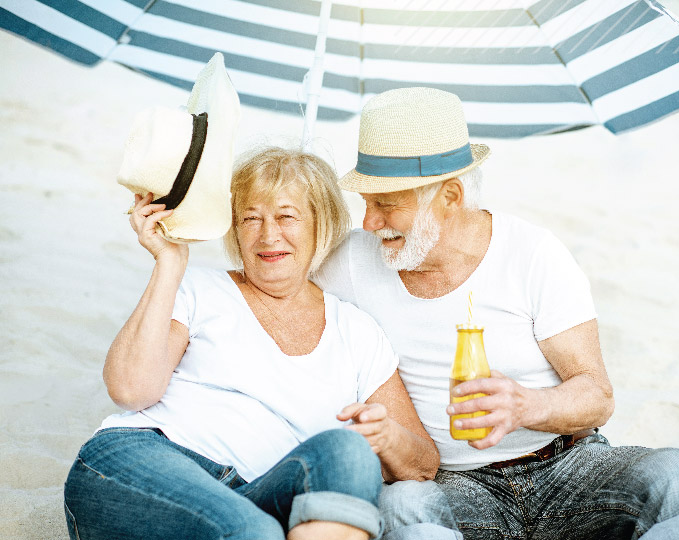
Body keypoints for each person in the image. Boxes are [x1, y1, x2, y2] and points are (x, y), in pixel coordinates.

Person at [313, 87, 679, 540]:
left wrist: (527, 405)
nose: (370, 222)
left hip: (568, 466)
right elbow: (273, 271)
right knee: (403, 504)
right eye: (367, 202)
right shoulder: (352, 261)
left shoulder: (533, 254)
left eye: (387, 203)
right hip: (455, 484)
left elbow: (597, 395)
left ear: (450, 196)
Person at [63, 147, 440, 540]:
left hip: (255, 492)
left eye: (286, 217)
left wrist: (387, 437)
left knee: (347, 452)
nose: (268, 235)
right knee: (252, 530)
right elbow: (129, 390)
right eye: (251, 218)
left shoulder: (357, 332)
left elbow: (423, 464)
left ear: (321, 224)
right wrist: (169, 265)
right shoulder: (199, 288)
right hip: (145, 461)